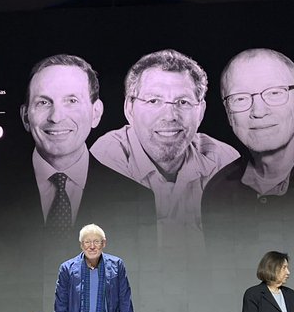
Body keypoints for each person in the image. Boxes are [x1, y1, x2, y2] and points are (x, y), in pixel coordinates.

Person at [91, 49, 238, 226]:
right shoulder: (107, 157)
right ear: (129, 109)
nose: (170, 116)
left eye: (183, 102)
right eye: (154, 101)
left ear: (201, 112)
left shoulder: (223, 160)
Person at [201, 48, 294, 235]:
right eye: (240, 98)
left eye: (274, 93)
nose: (258, 111)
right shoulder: (217, 191)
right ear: (227, 111)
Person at [20, 54, 153, 237]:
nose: (56, 117)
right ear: (26, 116)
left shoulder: (138, 200)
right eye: (43, 102)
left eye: (72, 101)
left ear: (96, 113)